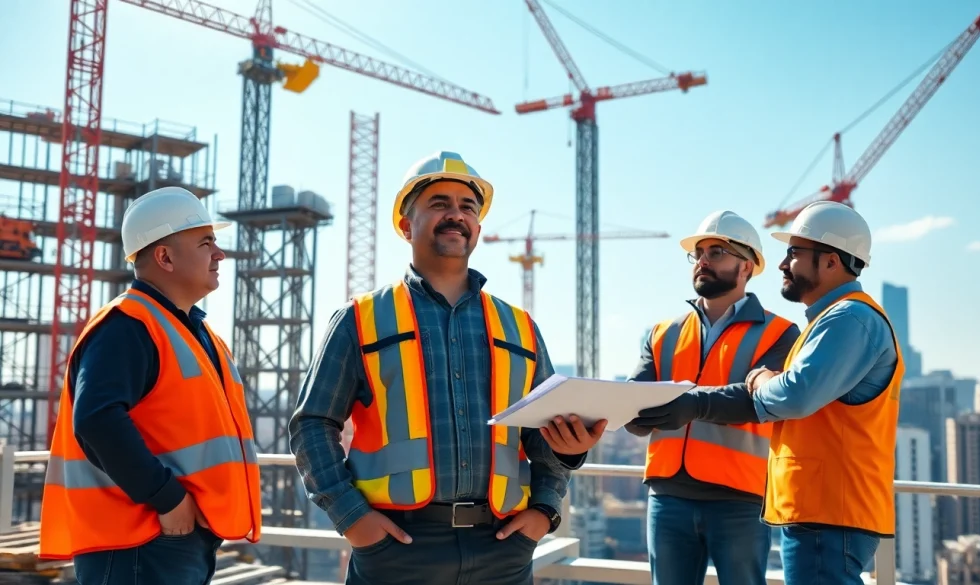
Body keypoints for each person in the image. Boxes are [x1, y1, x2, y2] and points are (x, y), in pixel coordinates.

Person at [289, 151, 606, 585]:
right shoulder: (359, 319)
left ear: (477, 227)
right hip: (397, 548)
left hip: (503, 549)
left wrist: (546, 506)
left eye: (467, 207)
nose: (456, 214)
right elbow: (311, 423)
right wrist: (353, 518)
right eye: (439, 203)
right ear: (406, 226)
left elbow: (544, 435)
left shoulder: (519, 327)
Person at [630, 201, 903, 584]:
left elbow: (794, 395)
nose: (783, 264)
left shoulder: (842, 321)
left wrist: (744, 387)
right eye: (698, 253)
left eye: (794, 253)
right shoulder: (664, 333)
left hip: (799, 504)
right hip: (799, 504)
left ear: (830, 261)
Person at [38, 186, 262, 585]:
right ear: (164, 257)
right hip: (139, 541)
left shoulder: (194, 332)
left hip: (176, 539)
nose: (219, 254)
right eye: (205, 242)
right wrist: (167, 497)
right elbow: (96, 421)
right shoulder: (127, 325)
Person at [623, 210, 799, 585]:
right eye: (699, 253)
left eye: (716, 252)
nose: (703, 260)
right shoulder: (662, 333)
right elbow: (634, 399)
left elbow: (763, 400)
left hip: (739, 499)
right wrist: (625, 411)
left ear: (747, 266)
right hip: (668, 496)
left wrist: (692, 404)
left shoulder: (781, 333)